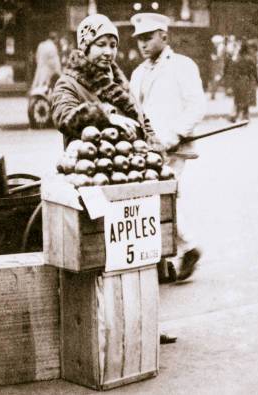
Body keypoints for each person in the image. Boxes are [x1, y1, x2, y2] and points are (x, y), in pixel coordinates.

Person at [129, 12, 206, 282]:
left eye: (148, 38)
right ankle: (169, 256)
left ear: (164, 35)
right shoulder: (138, 73)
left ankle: (189, 247)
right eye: (138, 39)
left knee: (164, 197)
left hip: (172, 148)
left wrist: (172, 136)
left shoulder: (183, 66)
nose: (142, 44)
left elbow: (196, 106)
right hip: (147, 150)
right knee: (156, 199)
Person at [50, 14, 154, 148]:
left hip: (131, 164)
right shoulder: (68, 83)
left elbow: (143, 121)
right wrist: (105, 118)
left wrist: (155, 150)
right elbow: (65, 118)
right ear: (84, 47)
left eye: (113, 45)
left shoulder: (119, 83)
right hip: (90, 165)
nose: (108, 52)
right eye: (101, 44)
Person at [229, 41, 258, 122]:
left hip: (238, 80)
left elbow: (233, 71)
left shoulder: (237, 59)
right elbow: (254, 71)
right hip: (247, 80)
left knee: (238, 99)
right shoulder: (250, 59)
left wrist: (232, 82)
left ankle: (236, 115)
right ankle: (245, 115)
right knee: (246, 99)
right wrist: (257, 80)